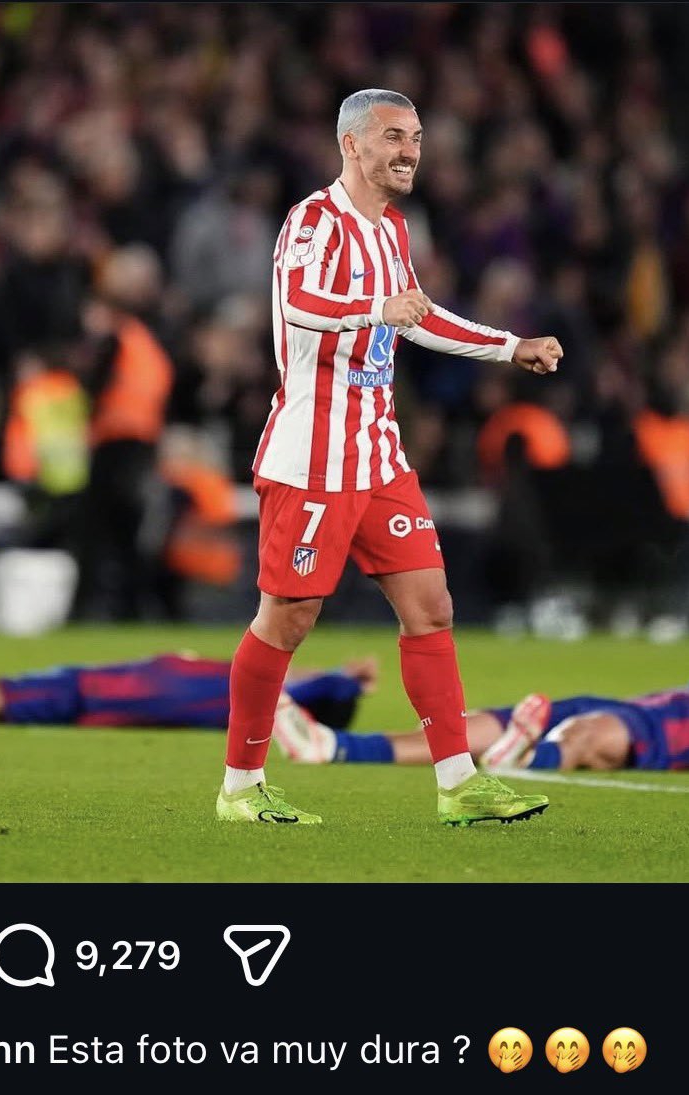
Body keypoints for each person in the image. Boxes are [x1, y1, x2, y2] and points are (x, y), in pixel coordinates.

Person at [219, 88, 564, 827]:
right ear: (352, 145)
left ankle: (458, 783)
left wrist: (511, 346)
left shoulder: (394, 230)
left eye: (416, 137)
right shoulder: (313, 220)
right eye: (394, 137)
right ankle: (241, 787)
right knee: (287, 618)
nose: (410, 151)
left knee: (431, 606)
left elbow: (419, 316)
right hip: (313, 458)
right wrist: (376, 309)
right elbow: (298, 300)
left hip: (377, 454)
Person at [273, 674, 689, 775]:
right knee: (469, 727)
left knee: (587, 737)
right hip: (620, 704)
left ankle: (527, 759)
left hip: (650, 739)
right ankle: (333, 745)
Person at [0, 654, 375, 732]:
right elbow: (310, 678)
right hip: (91, 685)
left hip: (87, 695)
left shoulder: (265, 697)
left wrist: (347, 681)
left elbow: (318, 685)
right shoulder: (256, 684)